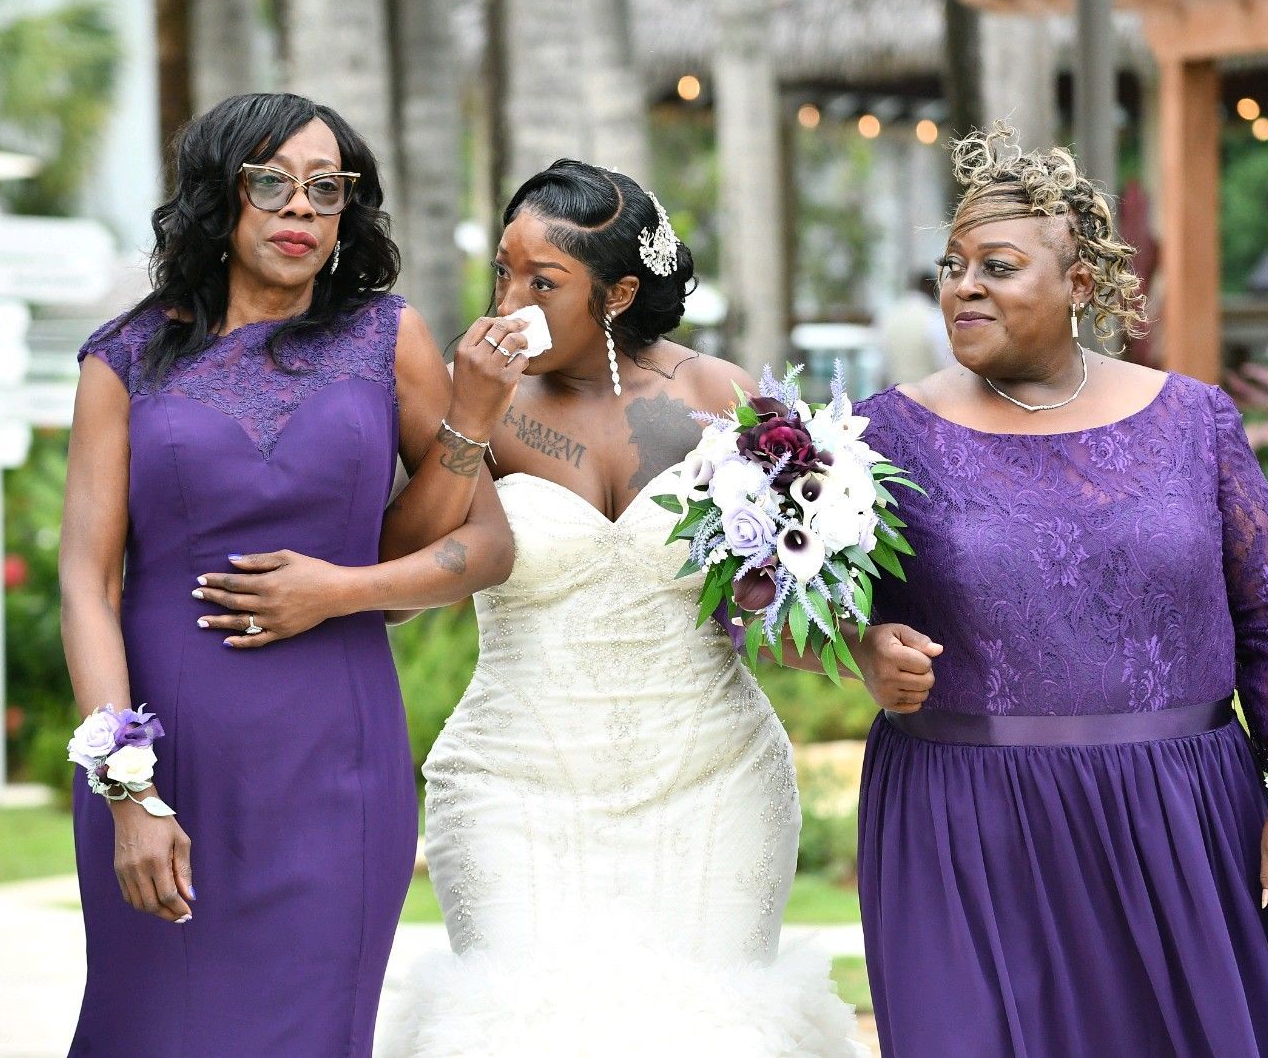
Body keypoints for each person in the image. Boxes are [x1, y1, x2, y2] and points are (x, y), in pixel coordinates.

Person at [235, 159, 864, 1055]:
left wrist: (860, 641)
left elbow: (795, 609)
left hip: (713, 782)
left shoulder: (721, 403)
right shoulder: (477, 400)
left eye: (542, 281)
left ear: (617, 294)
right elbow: (401, 579)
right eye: (501, 271)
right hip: (513, 781)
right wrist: (470, 419)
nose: (508, 302)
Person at [841, 124, 1268, 1056]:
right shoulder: (880, 438)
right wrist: (861, 645)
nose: (963, 285)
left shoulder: (1192, 420)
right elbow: (777, 608)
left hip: (1180, 822)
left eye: (996, 264)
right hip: (964, 825)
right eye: (951, 265)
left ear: (1077, 285)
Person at [60, 92, 518, 1056]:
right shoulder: (125, 360)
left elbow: (480, 546)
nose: (300, 209)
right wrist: (126, 791)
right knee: (149, 1031)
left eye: (326, 188)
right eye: (270, 183)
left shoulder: (387, 338)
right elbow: (87, 586)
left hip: (335, 762)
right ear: (216, 201)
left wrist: (340, 588)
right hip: (168, 758)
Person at [876, 269, 954, 385]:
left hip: (895, 393)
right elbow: (946, 364)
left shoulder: (889, 315)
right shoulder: (934, 318)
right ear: (934, 290)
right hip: (927, 397)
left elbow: (879, 364)